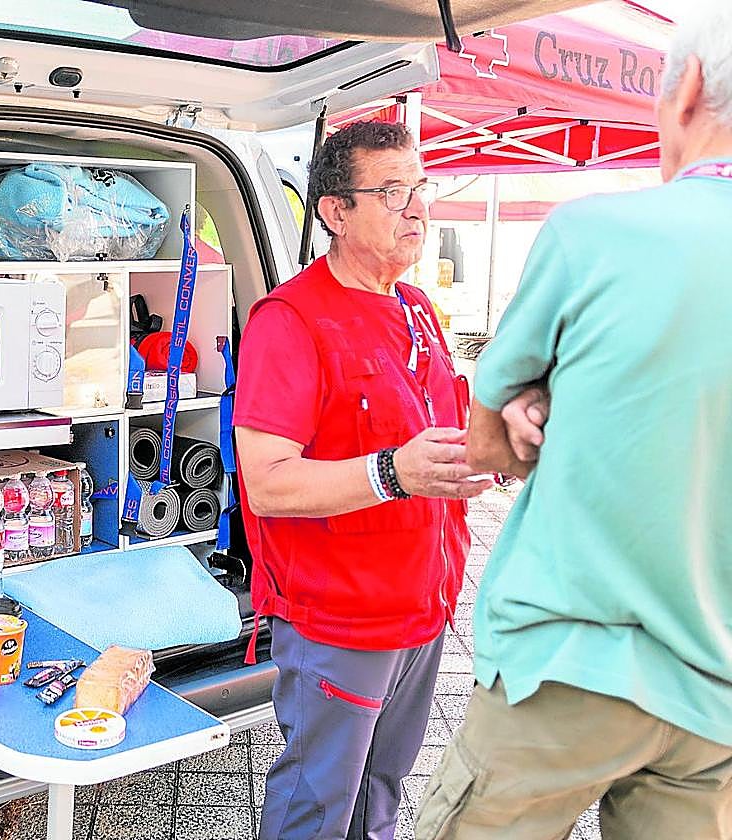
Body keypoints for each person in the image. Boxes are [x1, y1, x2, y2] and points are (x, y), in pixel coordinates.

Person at [415, 4, 732, 838]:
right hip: (717, 706)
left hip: (565, 670)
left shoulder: (598, 231)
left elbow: (489, 445)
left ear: (689, 87)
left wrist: (530, 412)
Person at [234, 121, 493, 840]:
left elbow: (435, 435)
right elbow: (269, 485)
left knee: (379, 799)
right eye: (393, 192)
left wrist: (484, 453)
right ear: (335, 212)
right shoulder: (290, 321)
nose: (418, 210)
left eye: (420, 189)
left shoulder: (416, 309)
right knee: (317, 807)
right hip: (339, 624)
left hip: (424, 610)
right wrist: (394, 474)